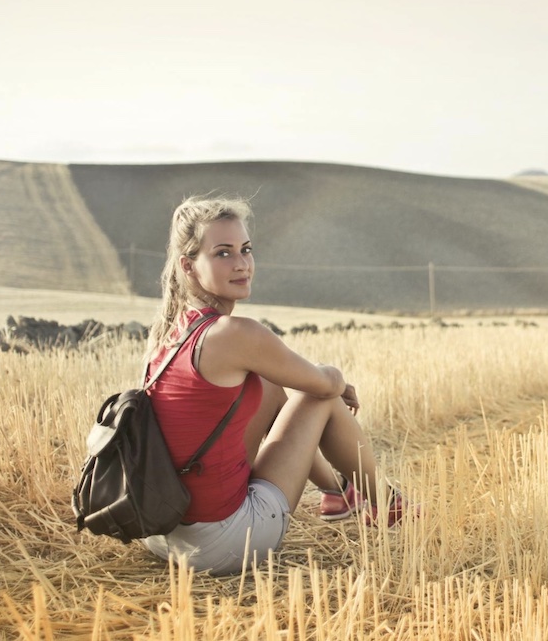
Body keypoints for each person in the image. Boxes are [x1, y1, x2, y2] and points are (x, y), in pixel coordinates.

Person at [141, 195, 410, 576]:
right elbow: (322, 385)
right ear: (189, 266)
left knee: (265, 382)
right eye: (222, 253)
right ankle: (386, 502)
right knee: (319, 398)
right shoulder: (234, 333)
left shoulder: (169, 333)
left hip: (162, 534)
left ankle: (336, 492)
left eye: (245, 250)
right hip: (224, 544)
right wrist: (333, 378)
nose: (241, 264)